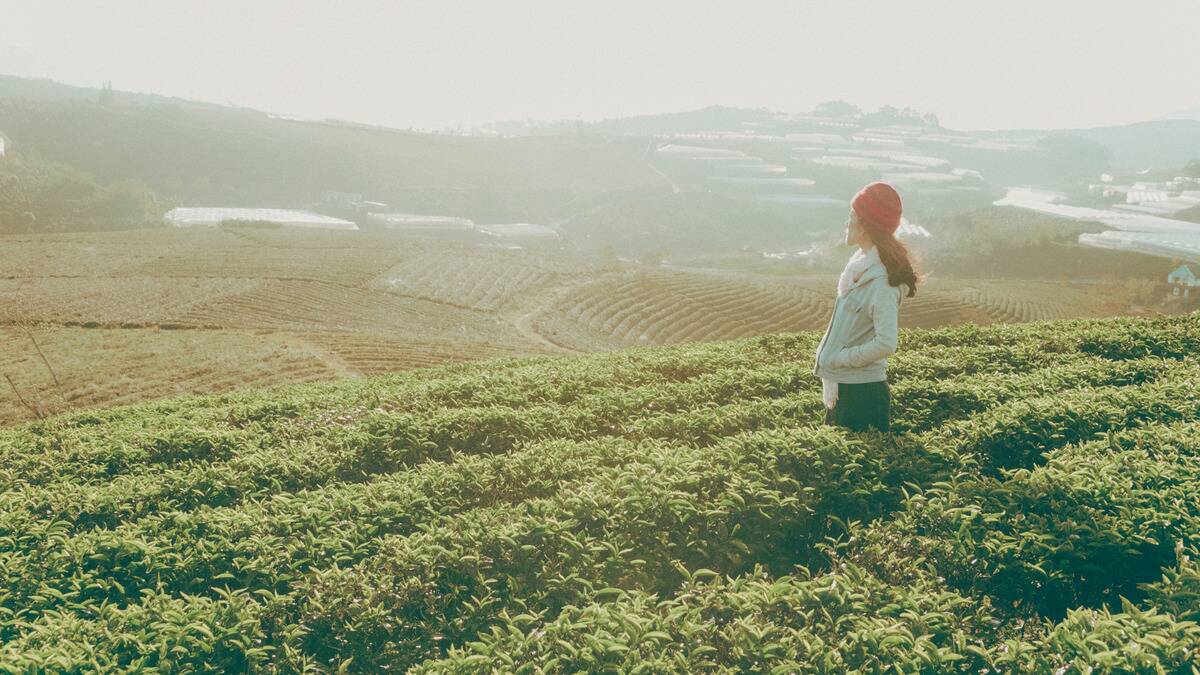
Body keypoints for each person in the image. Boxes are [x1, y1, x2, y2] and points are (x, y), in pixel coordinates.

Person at [813, 181, 918, 433]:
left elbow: (886, 343)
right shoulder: (859, 268)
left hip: (861, 396)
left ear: (866, 225)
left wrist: (839, 359)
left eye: (851, 216)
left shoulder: (881, 282)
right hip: (845, 389)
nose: (847, 222)